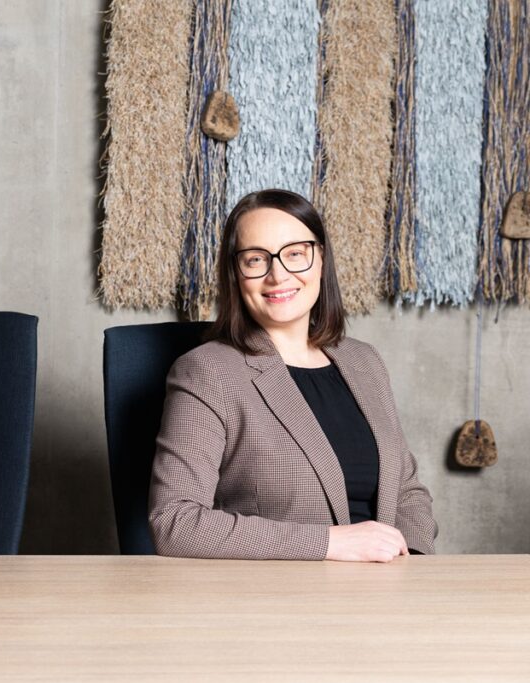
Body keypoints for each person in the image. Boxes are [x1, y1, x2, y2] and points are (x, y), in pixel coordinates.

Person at [149, 189, 436, 562]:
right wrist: (330, 543)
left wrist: (411, 562)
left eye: (296, 254)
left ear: (321, 260)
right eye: (256, 259)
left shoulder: (364, 361)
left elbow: (407, 492)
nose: (278, 275)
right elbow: (175, 523)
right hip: (275, 593)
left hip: (386, 587)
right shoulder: (207, 372)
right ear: (235, 274)